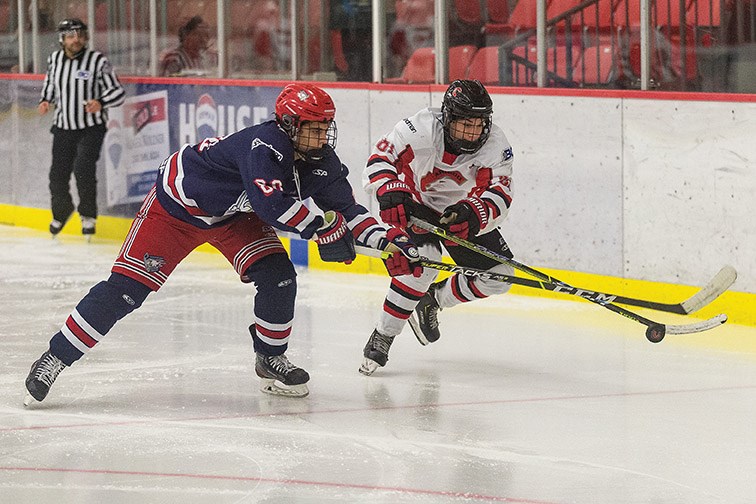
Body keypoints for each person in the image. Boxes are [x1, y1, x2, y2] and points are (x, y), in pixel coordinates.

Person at [23, 83, 422, 405]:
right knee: (126, 291)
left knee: (279, 276)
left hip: (233, 216)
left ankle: (270, 358)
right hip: (176, 210)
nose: (322, 135)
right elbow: (272, 207)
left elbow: (347, 209)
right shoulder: (265, 145)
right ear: (287, 123)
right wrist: (322, 227)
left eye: (325, 126)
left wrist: (387, 240)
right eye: (313, 127)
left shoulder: (322, 160)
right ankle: (55, 358)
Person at [359, 79, 515, 376]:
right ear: (448, 118)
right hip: (416, 207)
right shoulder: (420, 128)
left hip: (458, 213)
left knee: (500, 277)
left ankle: (434, 300)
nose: (473, 132)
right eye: (464, 124)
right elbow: (380, 159)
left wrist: (474, 213)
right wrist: (389, 188)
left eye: (479, 124)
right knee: (422, 267)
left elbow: (500, 193)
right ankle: (384, 334)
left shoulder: (496, 144)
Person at [39, 18, 125, 237]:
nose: (76, 40)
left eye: (80, 35)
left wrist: (100, 102)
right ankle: (62, 211)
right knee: (57, 175)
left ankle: (88, 216)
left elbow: (117, 91)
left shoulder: (97, 61)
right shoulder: (55, 59)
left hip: (90, 128)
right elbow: (50, 83)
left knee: (83, 169)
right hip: (62, 125)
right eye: (70, 36)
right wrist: (45, 100)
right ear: (62, 39)